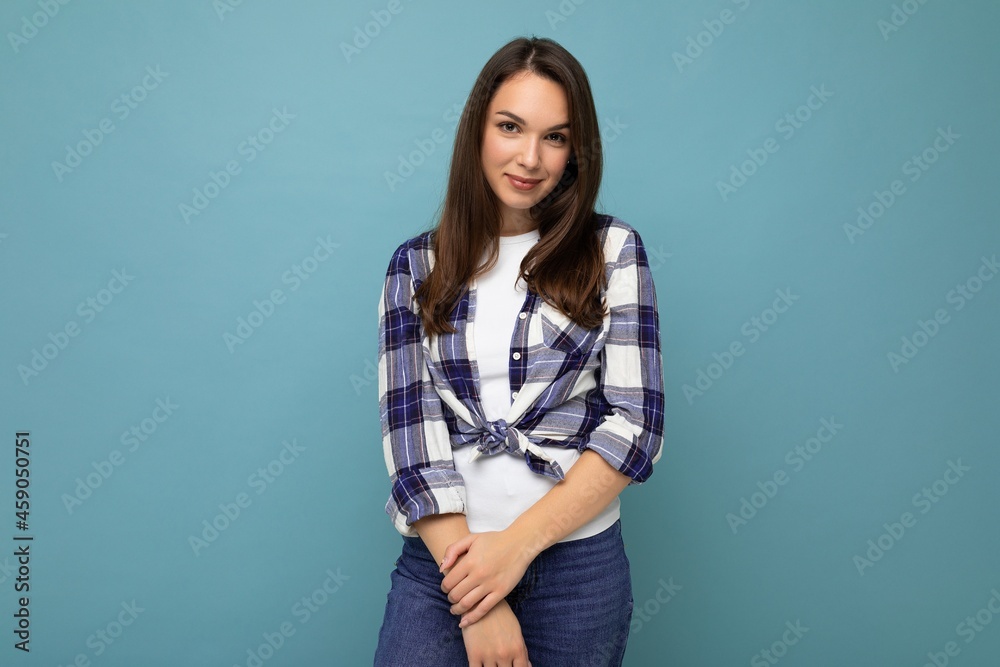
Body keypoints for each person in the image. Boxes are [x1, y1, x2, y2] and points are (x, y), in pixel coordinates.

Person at [373, 35, 664, 667]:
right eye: (511, 126)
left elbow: (635, 428)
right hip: (443, 569)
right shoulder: (415, 265)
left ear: (575, 153)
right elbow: (410, 441)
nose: (530, 157)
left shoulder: (614, 252)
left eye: (555, 137)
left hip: (577, 574)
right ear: (478, 130)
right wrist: (479, 595)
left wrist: (514, 550)